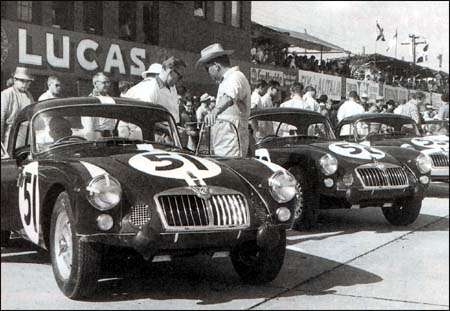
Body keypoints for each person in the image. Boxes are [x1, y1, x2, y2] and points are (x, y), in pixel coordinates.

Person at [197, 43, 251, 157]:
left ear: (216, 66)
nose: (208, 73)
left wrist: (215, 111)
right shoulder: (226, 81)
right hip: (224, 143)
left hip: (232, 143)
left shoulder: (236, 77)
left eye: (207, 69)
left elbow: (229, 97)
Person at [131, 57, 185, 123]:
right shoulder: (151, 88)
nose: (179, 80)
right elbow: (145, 119)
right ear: (169, 70)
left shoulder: (172, 88)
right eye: (179, 76)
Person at [1, 67, 35, 144]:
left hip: (27, 132)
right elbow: (1, 118)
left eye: (28, 81)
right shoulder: (6, 94)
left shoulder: (29, 95)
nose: (25, 84)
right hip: (11, 132)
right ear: (15, 80)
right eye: (22, 81)